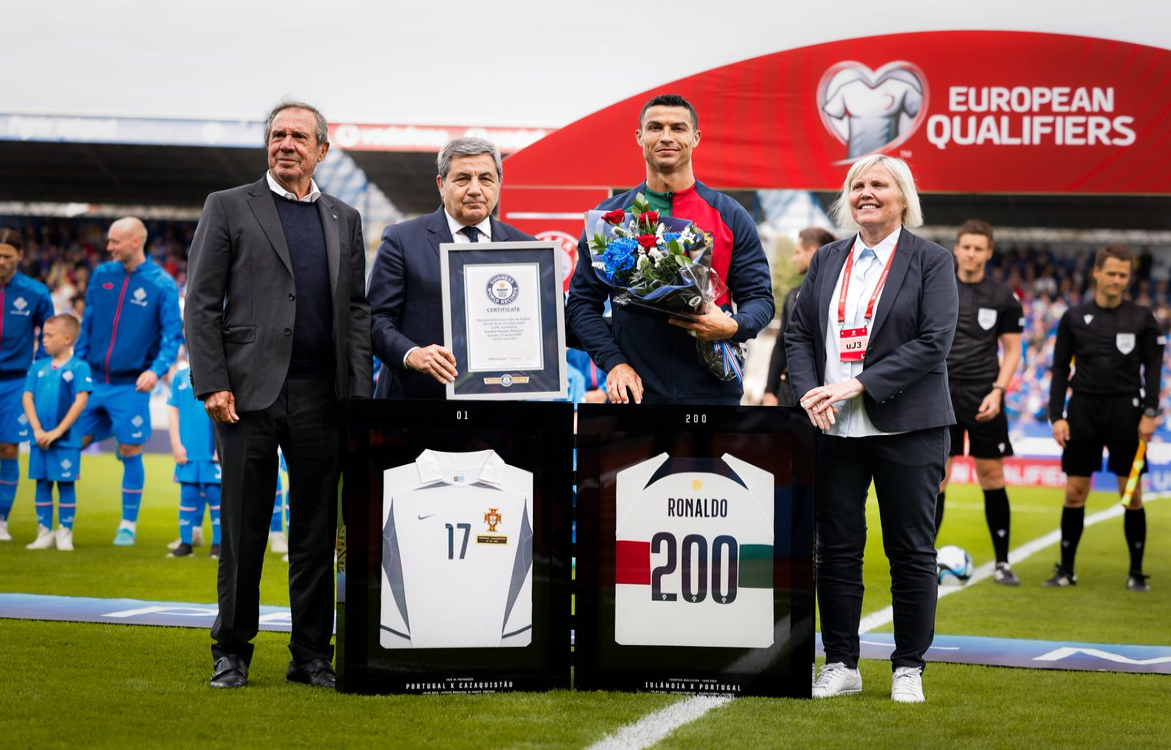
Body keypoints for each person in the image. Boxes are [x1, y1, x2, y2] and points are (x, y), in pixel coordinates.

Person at [185, 101, 371, 689]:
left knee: (316, 533)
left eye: (298, 136)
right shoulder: (228, 206)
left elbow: (358, 312)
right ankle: (232, 652)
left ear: (323, 148)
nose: (285, 144)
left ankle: (312, 655)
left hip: (323, 397)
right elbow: (201, 301)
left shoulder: (345, 216)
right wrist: (212, 382)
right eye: (276, 135)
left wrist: (358, 395)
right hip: (247, 396)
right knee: (243, 531)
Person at [785, 155, 957, 703]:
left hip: (908, 425)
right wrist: (812, 390)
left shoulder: (931, 260)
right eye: (857, 184)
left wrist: (859, 384)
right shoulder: (827, 259)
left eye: (879, 184)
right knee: (835, 550)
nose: (866, 192)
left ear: (902, 197)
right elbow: (798, 333)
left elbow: (934, 343)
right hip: (834, 428)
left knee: (910, 551)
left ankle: (909, 666)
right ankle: (841, 662)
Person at [566, 94, 775, 405]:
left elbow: (759, 298)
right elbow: (582, 304)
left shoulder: (729, 215)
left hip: (712, 394)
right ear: (640, 137)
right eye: (655, 127)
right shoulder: (610, 219)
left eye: (678, 128)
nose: (666, 137)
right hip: (632, 395)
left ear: (695, 137)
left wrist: (733, 326)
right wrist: (614, 363)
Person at [368, 137, 535, 399]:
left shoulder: (525, 247)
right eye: (462, 179)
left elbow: (552, 321)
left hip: (496, 407)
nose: (475, 189)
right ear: (441, 185)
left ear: (499, 185)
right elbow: (375, 318)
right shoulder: (402, 240)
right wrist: (412, 354)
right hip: (416, 406)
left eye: (486, 179)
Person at [1045, 245, 1162, 592]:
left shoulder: (1142, 318)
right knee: (1075, 492)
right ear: (1096, 272)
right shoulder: (1074, 317)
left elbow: (1153, 368)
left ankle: (1136, 573)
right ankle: (1066, 570)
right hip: (1083, 410)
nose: (1117, 280)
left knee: (1132, 494)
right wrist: (1057, 415)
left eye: (1123, 275)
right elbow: (1058, 368)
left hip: (1127, 412)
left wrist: (1151, 411)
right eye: (1111, 273)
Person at [75, 216, 183, 546]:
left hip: (132, 384)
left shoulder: (161, 283)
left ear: (136, 242)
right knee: (69, 440)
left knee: (130, 447)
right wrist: (77, 367)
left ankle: (127, 525)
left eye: (114, 241)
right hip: (93, 381)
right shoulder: (101, 275)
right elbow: (88, 324)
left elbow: (172, 335)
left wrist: (156, 369)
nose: (108, 247)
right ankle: (58, 525)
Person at [937, 219, 1024, 585]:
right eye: (966, 246)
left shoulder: (1003, 297)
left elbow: (1013, 351)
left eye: (978, 248)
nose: (971, 253)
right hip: (940, 395)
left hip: (984, 395)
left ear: (988, 253)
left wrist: (998, 390)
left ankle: (1003, 562)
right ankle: (924, 560)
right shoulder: (937, 287)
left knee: (991, 476)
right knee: (937, 478)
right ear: (957, 249)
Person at [0, 228, 54, 541]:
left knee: (9, 449)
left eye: (7, 256)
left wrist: (38, 368)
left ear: (19, 257)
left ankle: (1, 520)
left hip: (15, 383)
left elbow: (49, 333)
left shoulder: (35, 292)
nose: (0, 261)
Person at [22, 314, 92, 551]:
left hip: (67, 441)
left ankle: (65, 532)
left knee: (65, 484)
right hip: (39, 438)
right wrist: (38, 429)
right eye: (43, 335)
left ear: (67, 338)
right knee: (41, 483)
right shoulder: (37, 366)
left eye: (50, 335)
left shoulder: (80, 367)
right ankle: (44, 532)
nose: (44, 340)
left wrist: (57, 431)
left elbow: (80, 401)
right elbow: (27, 397)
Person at [763, 227, 836, 406]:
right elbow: (782, 344)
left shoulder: (837, 296)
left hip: (827, 391)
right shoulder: (792, 296)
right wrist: (770, 391)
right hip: (790, 391)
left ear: (812, 252)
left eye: (798, 252)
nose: (794, 258)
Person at [166, 361, 221, 559]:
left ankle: (218, 546)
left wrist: (220, 446)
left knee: (216, 497)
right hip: (188, 451)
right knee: (187, 496)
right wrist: (175, 444)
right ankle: (185, 544)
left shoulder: (219, 371)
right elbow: (173, 410)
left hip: (212, 452)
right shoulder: (180, 376)